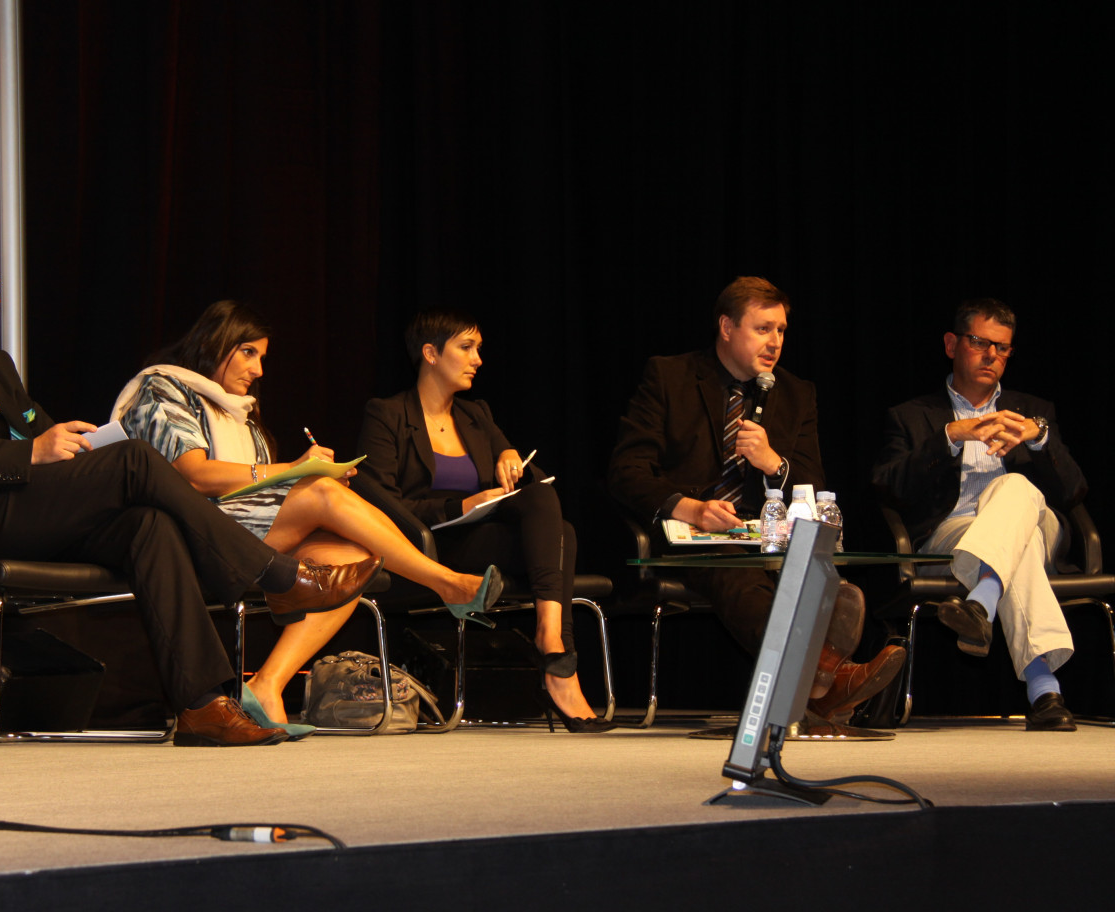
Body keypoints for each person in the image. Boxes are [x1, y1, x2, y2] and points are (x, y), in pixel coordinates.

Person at [0, 230, 382, 748]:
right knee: (134, 460)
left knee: (148, 525)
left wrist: (74, 442)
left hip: (29, 508)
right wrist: (30, 452)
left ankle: (202, 706)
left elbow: (35, 427)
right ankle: (275, 575)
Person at [111, 300, 502, 734]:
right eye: (248, 352)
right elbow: (196, 476)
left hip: (245, 535)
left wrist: (302, 478)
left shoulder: (240, 413)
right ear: (212, 343)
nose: (258, 369)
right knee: (320, 492)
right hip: (180, 534)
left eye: (262, 357)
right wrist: (298, 472)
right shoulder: (163, 387)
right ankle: (446, 583)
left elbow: (260, 494)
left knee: (355, 562)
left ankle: (267, 684)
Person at [608, 276, 904, 723]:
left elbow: (811, 481)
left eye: (782, 330)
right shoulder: (670, 376)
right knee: (738, 570)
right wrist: (689, 508)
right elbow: (625, 471)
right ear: (727, 327)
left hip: (766, 532)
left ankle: (820, 686)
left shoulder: (795, 392)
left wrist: (774, 464)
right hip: (692, 532)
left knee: (814, 569)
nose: (775, 342)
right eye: (763, 328)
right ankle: (830, 674)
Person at [358, 310, 617, 733]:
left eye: (478, 348)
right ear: (430, 354)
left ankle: (551, 637)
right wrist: (460, 508)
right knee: (563, 536)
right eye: (466, 348)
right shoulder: (386, 414)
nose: (478, 359)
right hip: (427, 550)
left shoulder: (476, 414)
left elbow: (525, 482)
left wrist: (510, 457)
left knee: (545, 503)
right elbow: (382, 504)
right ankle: (560, 666)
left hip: (483, 542)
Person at [872, 298, 1085, 731]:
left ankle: (980, 606)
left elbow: (1073, 491)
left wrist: (1039, 439)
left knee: (1015, 487)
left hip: (1038, 526)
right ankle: (1044, 690)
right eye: (979, 342)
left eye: (1002, 348)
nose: (992, 355)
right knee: (1012, 552)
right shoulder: (912, 415)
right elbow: (888, 486)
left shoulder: (1034, 412)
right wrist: (950, 436)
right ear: (952, 344)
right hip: (951, 535)